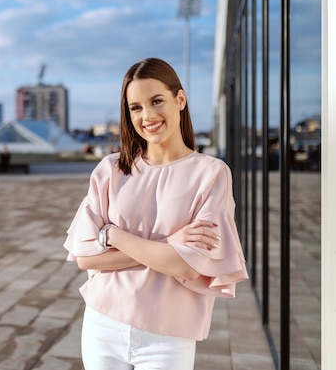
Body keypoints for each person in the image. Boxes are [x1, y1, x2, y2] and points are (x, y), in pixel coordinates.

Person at [63, 57, 248, 370]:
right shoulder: (110, 170)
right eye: (136, 107)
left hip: (168, 336)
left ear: (180, 100)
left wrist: (112, 235)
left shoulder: (211, 174)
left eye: (156, 101)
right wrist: (169, 243)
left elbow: (189, 267)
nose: (147, 116)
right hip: (101, 325)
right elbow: (86, 258)